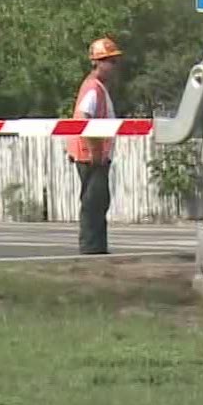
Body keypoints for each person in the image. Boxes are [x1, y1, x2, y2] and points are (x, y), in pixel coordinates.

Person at [66, 37, 122, 255]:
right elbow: (83, 119)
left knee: (99, 203)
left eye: (114, 61)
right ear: (97, 62)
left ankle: (97, 249)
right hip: (90, 157)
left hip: (94, 156)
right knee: (93, 205)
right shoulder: (93, 89)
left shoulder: (98, 87)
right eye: (108, 61)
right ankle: (91, 251)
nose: (113, 66)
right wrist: (95, 151)